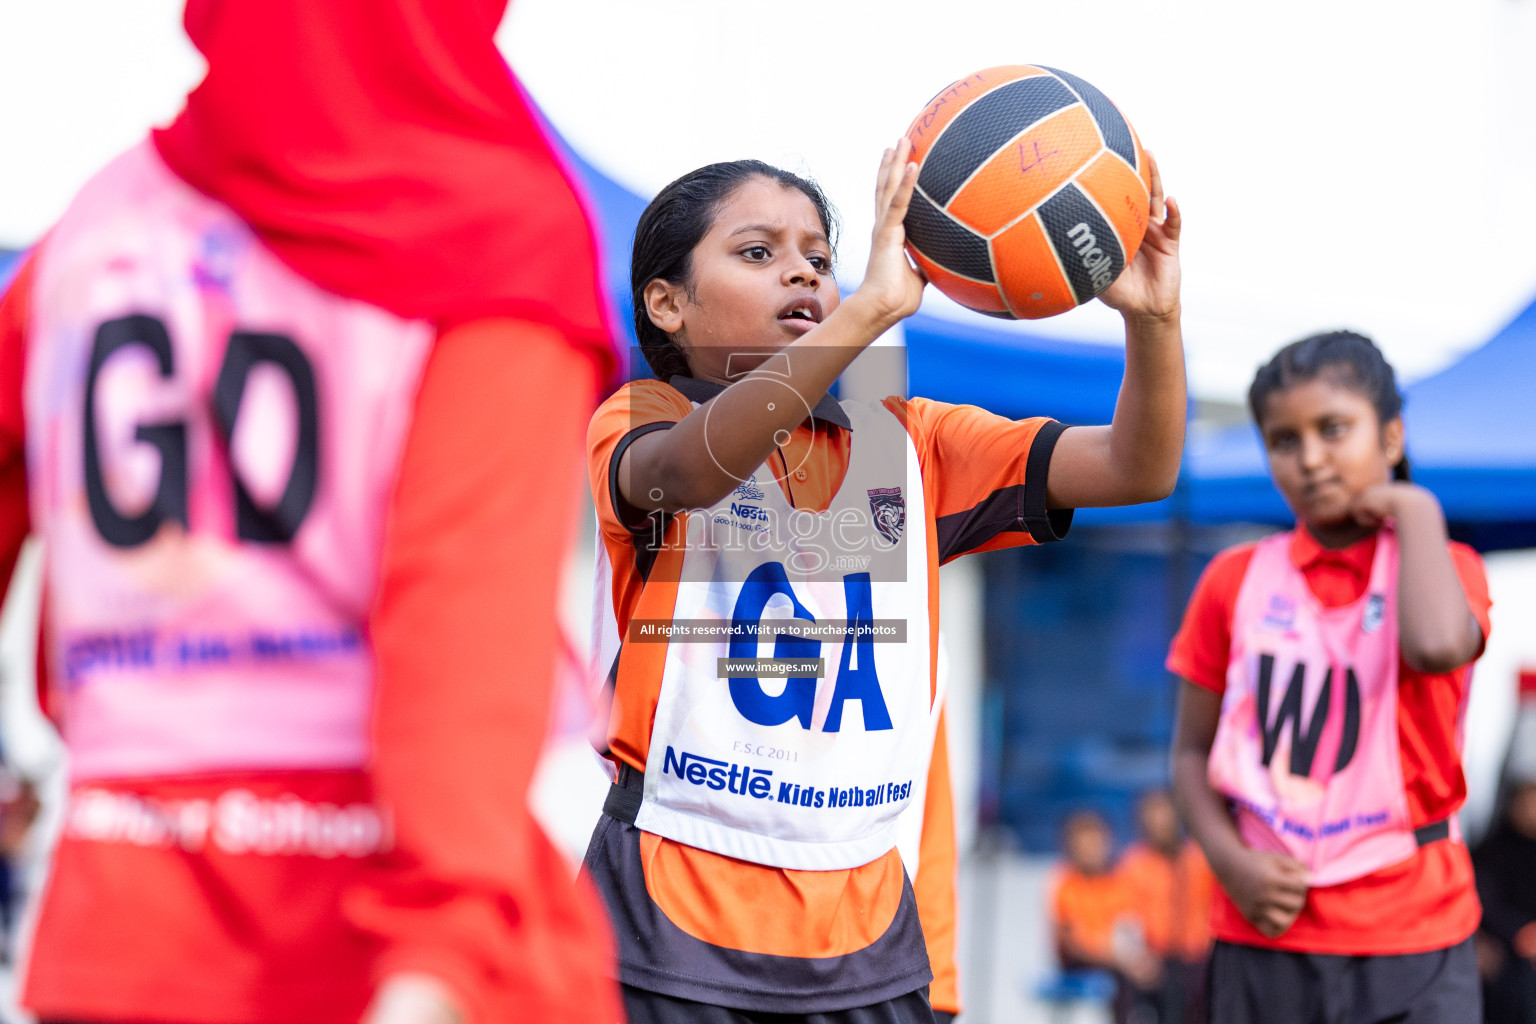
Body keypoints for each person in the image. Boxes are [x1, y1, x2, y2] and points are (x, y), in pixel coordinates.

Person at [0, 1, 620, 1021]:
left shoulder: (88, 237)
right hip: (377, 959)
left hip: (118, 936)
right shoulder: (497, 230)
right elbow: (458, 637)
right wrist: (439, 967)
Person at [583, 140, 1185, 1023]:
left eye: (819, 259)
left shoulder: (915, 445)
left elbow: (1137, 468)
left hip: (862, 938)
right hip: (668, 923)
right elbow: (698, 472)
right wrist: (864, 312)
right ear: (667, 304)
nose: (803, 273)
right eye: (760, 253)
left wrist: (1155, 321)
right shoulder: (642, 422)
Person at [1168, 332, 1491, 1024]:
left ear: (1393, 434)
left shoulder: (1446, 567)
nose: (1311, 459)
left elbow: (1437, 645)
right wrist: (1230, 863)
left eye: (1334, 429)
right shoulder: (1235, 579)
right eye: (1284, 440)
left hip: (1414, 937)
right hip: (1264, 931)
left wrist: (1414, 506)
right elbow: (1190, 753)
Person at [1116, 788, 1214, 1024]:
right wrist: (1136, 959)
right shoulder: (1133, 864)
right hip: (1153, 961)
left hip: (1196, 961)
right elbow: (1124, 920)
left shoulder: (1199, 859)